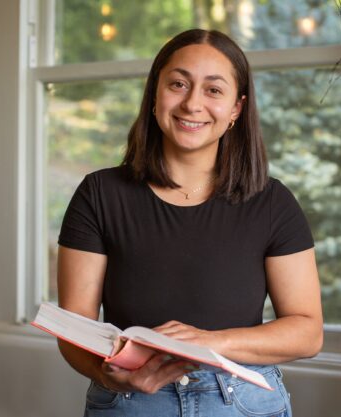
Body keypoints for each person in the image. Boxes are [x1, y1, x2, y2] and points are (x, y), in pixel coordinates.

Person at [56, 28, 323, 417]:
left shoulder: (272, 201)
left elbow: (308, 332)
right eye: (178, 84)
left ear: (236, 108)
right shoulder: (99, 194)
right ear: (154, 96)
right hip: (130, 403)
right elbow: (74, 331)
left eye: (213, 90)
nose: (192, 103)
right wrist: (110, 375)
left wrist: (209, 342)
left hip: (242, 402)